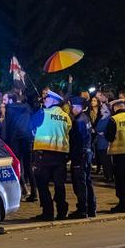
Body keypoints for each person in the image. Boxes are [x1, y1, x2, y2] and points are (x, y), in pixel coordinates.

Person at [31, 90, 72, 221]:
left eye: (46, 98)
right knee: (59, 185)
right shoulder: (66, 116)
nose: (44, 100)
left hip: (44, 154)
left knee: (42, 184)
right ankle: (62, 211)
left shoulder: (43, 113)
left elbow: (31, 126)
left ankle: (48, 212)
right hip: (61, 155)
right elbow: (68, 131)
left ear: (54, 100)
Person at [3, 93, 36, 202]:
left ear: (12, 100)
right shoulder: (28, 108)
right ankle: (34, 193)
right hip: (27, 139)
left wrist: (4, 140)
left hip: (14, 140)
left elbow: (7, 126)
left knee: (16, 166)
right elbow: (33, 123)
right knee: (28, 166)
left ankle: (17, 193)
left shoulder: (10, 109)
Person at [68, 96, 96, 218]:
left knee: (80, 183)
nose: (71, 109)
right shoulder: (86, 118)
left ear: (79, 107)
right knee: (87, 181)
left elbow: (76, 140)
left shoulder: (78, 121)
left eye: (73, 106)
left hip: (80, 154)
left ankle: (82, 209)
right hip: (87, 153)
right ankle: (91, 207)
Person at [94, 104, 113, 181]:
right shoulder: (102, 118)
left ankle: (110, 176)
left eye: (102, 108)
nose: (101, 109)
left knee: (107, 160)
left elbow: (110, 130)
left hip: (105, 142)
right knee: (103, 160)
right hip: (100, 141)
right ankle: (106, 175)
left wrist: (103, 133)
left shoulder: (109, 119)